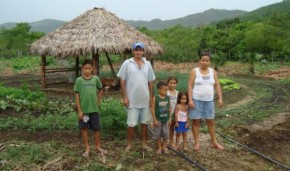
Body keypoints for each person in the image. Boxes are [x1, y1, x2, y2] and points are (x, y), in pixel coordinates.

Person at [117, 42, 155, 151]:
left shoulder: (147, 64)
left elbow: (151, 82)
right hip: (132, 99)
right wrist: (125, 97)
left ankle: (144, 144)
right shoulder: (127, 63)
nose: (138, 52)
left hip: (145, 98)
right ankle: (129, 144)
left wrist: (151, 98)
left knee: (144, 123)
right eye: (136, 50)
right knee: (131, 123)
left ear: (143, 51)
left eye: (140, 50)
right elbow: (122, 81)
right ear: (133, 51)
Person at [188, 52, 224, 151]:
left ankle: (213, 141)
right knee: (196, 121)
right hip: (196, 100)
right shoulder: (194, 71)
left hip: (209, 101)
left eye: (207, 60)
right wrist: (190, 100)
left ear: (209, 62)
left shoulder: (213, 72)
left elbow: (217, 85)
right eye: (203, 60)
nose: (205, 62)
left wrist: (220, 98)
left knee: (211, 121)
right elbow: (190, 85)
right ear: (199, 61)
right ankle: (196, 143)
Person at [74, 59, 107, 157]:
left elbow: (101, 90)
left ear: (93, 69)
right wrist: (79, 110)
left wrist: (98, 101)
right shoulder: (79, 80)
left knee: (96, 129)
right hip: (84, 112)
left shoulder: (95, 79)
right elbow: (77, 95)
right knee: (84, 128)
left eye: (89, 68)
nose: (87, 70)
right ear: (82, 69)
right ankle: (87, 148)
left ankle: (97, 147)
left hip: (94, 110)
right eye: (85, 68)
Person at [151, 81, 171, 154]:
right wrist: (154, 119)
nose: (166, 92)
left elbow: (169, 107)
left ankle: (164, 147)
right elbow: (152, 109)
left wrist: (170, 118)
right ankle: (159, 147)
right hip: (158, 119)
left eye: (167, 90)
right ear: (159, 89)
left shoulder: (167, 98)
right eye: (164, 90)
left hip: (166, 119)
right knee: (158, 134)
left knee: (165, 133)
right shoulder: (155, 98)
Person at [166, 76, 179, 147]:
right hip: (167, 112)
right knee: (166, 126)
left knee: (172, 127)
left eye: (174, 83)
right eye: (170, 83)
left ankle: (171, 141)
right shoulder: (166, 92)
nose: (172, 85)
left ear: (176, 84)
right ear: (167, 83)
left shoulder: (177, 93)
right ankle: (165, 140)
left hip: (175, 113)